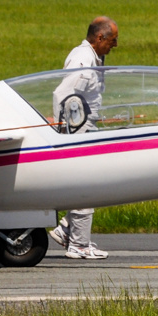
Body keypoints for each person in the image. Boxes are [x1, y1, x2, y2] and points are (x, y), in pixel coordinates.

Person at [49, 16, 119, 260]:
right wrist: (70, 135)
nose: (115, 45)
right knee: (86, 186)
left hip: (87, 127)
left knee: (98, 182)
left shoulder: (93, 57)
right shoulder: (82, 59)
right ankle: (79, 245)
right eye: (112, 40)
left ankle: (66, 229)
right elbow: (63, 94)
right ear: (99, 38)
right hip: (78, 130)